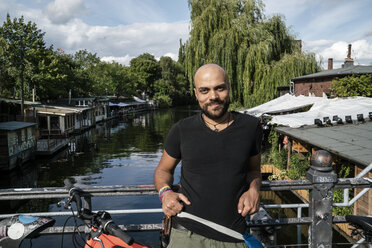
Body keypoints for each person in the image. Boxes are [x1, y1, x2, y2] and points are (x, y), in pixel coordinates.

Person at [154, 64, 263, 248]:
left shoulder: (251, 127)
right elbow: (163, 170)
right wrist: (165, 193)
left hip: (234, 235)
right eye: (205, 90)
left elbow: (253, 170)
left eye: (219, 88)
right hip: (186, 234)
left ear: (229, 88)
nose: (213, 96)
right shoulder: (181, 129)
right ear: (196, 94)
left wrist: (254, 190)